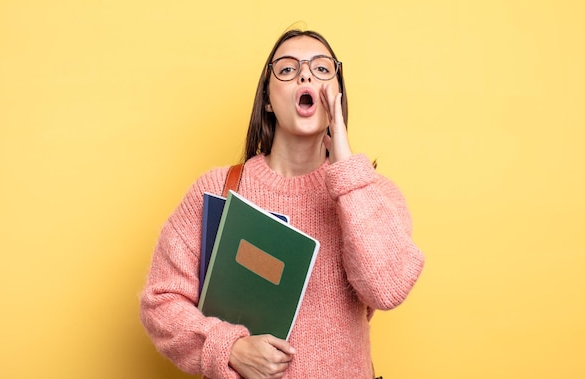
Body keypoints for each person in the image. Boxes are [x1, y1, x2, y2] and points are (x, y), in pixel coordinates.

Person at [140, 29, 425, 379]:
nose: (305, 74)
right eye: (287, 69)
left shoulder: (371, 192)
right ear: (269, 101)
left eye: (322, 69)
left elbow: (388, 287)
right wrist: (229, 348)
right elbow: (160, 302)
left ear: (337, 95)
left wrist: (346, 171)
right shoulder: (217, 189)